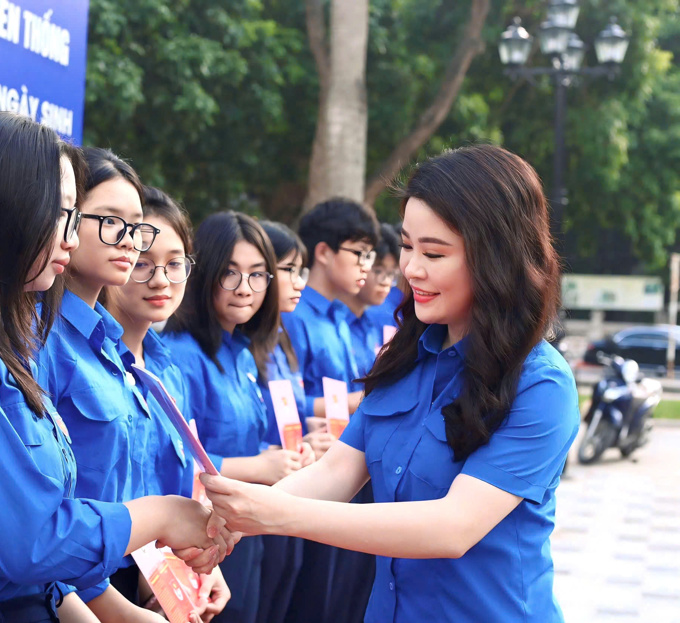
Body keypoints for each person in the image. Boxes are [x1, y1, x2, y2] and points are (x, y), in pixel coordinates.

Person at [0, 112, 230, 623]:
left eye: (75, 220)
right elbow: (27, 539)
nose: (71, 240)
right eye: (61, 215)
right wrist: (163, 515)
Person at [200, 144, 580, 622]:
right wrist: (238, 518)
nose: (411, 269)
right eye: (406, 246)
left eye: (434, 252)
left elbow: (451, 528)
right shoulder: (405, 359)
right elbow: (337, 473)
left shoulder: (540, 385)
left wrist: (274, 514)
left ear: (496, 258)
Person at [34, 148, 228, 620]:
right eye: (110, 220)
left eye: (134, 225)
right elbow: (38, 520)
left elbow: (151, 488)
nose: (128, 242)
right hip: (71, 593)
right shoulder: (40, 342)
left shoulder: (119, 351)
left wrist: (184, 571)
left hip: (134, 577)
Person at [164, 212, 303, 623]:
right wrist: (259, 466)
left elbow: (245, 437)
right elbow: (174, 459)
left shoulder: (241, 349)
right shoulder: (181, 354)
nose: (245, 289)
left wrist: (283, 456)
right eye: (230, 274)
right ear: (203, 275)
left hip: (246, 527)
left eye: (258, 275)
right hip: (201, 535)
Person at [102, 186, 231, 622]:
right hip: (93, 588)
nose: (160, 279)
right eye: (141, 263)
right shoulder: (77, 362)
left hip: (159, 578)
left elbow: (183, 484)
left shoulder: (167, 368)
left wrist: (203, 566)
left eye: (174, 264)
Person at [281, 198, 379, 623]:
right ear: (323, 252)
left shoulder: (341, 318)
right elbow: (283, 398)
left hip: (347, 466)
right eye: (360, 253)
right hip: (310, 469)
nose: (367, 266)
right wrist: (353, 404)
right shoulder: (295, 317)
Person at [254, 221, 326, 623]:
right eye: (288, 270)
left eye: (301, 271)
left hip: (293, 488)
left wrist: (310, 436)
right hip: (249, 505)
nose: (299, 282)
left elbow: (290, 414)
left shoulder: (280, 340)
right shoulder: (234, 347)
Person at [345, 223, 402, 376]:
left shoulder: (369, 324)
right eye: (378, 271)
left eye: (391, 274)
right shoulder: (338, 321)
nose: (386, 281)